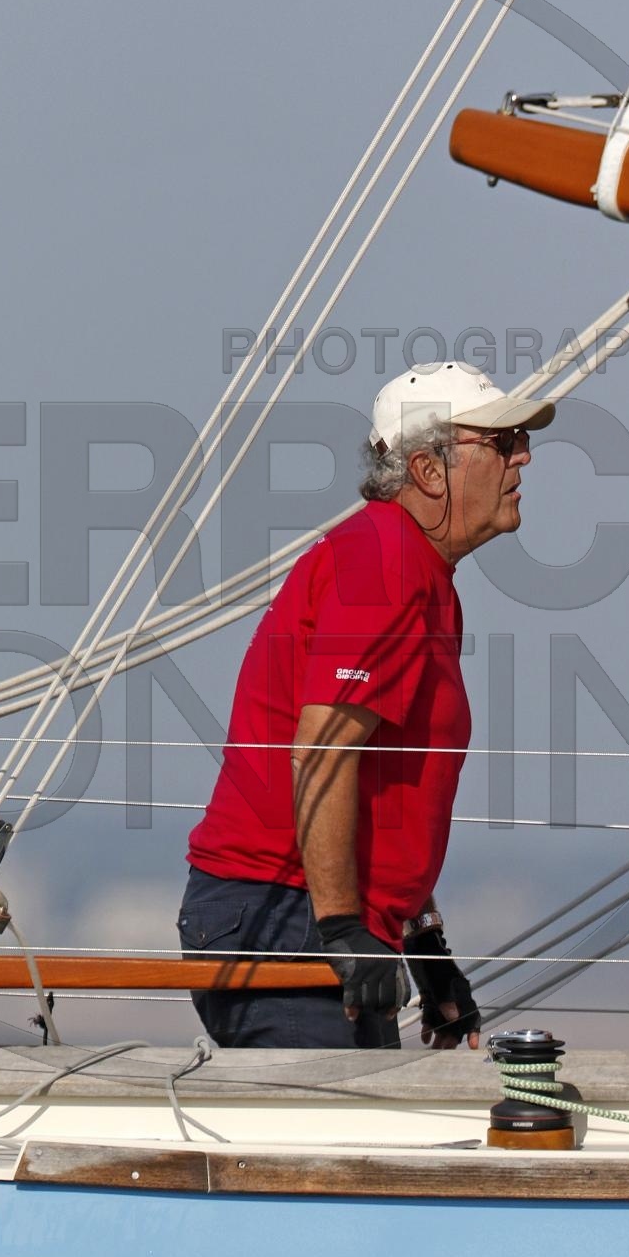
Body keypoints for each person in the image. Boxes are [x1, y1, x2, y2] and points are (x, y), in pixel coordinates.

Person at [178, 358, 554, 1049]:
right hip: (286, 913)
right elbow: (322, 753)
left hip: (312, 912)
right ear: (429, 470)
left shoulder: (415, 573)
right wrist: (341, 930)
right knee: (339, 1122)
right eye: (501, 442)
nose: (523, 456)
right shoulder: (385, 564)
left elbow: (387, 790)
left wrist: (426, 947)